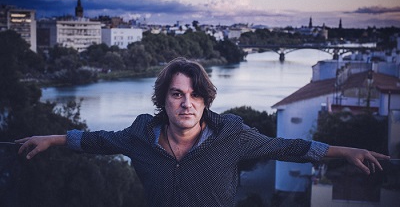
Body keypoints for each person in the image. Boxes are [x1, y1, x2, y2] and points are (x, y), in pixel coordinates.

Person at [16, 57, 389, 207]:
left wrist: (344, 151)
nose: (186, 103)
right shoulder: (139, 136)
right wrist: (52, 139)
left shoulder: (232, 137)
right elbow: (96, 141)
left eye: (195, 95)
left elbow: (287, 146)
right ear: (163, 100)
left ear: (205, 100)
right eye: (177, 94)